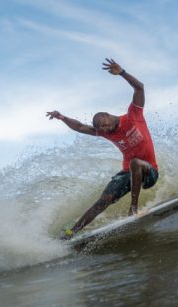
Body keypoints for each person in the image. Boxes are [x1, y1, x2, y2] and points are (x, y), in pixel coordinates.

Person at [47, 58, 159, 240]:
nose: (105, 131)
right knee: (103, 201)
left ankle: (134, 208)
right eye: (102, 129)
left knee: (135, 162)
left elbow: (139, 88)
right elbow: (80, 127)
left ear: (108, 115)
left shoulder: (133, 116)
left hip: (149, 171)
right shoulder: (104, 132)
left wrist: (122, 72)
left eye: (105, 125)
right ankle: (70, 233)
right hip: (128, 173)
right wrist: (61, 117)